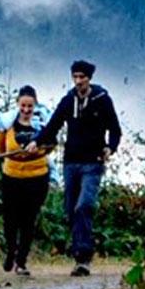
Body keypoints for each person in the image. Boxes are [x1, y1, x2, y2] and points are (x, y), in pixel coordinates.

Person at [34, 59, 122, 277]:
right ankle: (79, 251)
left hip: (93, 162)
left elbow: (115, 129)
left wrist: (110, 148)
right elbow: (52, 126)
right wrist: (36, 141)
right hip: (71, 162)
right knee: (70, 208)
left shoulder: (102, 100)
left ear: (89, 78)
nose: (79, 81)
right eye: (75, 77)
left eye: (82, 77)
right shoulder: (68, 101)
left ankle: (83, 257)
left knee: (84, 206)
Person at [0, 86, 50, 276]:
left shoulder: (43, 125)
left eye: (30, 106)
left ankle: (22, 261)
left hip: (37, 177)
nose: (26, 110)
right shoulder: (7, 125)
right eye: (23, 106)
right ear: (18, 105)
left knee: (28, 220)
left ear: (35, 105)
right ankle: (11, 251)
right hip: (12, 176)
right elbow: (0, 148)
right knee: (10, 219)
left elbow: (50, 146)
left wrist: (37, 151)